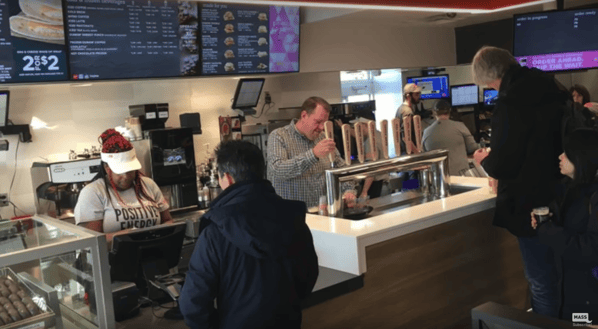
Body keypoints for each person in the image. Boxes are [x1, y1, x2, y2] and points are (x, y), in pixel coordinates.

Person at [179, 140, 319, 329]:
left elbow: (193, 302)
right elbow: (308, 275)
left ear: (226, 178)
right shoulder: (292, 218)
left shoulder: (216, 230)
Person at [471, 46, 568, 318]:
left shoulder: (510, 103)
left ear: (491, 76)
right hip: (564, 193)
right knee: (560, 273)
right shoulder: (552, 87)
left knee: (541, 280)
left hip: (530, 201)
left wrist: (483, 160)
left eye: (488, 83)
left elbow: (504, 163)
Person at [531, 129, 598, 322]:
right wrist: (548, 218)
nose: (560, 156)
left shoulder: (593, 195)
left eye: (566, 153)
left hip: (589, 297)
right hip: (574, 289)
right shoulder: (572, 188)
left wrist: (547, 230)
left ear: (581, 157)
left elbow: (590, 249)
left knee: (580, 322)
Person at [74, 129, 172, 243]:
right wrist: (125, 237)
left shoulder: (149, 185)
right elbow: (91, 242)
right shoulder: (93, 193)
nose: (126, 177)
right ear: (107, 168)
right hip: (113, 260)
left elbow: (168, 221)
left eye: (130, 170)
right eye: (120, 172)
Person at [267, 96, 356, 209]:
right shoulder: (279, 136)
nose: (321, 127)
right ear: (304, 115)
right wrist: (313, 155)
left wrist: (349, 190)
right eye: (318, 122)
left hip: (322, 214)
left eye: (324, 123)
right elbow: (278, 170)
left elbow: (341, 169)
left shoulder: (323, 137)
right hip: (290, 216)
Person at [422, 100, 479, 176]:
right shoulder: (460, 126)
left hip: (438, 178)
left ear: (434, 112)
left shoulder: (426, 132)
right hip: (461, 175)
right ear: (450, 111)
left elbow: (424, 154)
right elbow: (473, 147)